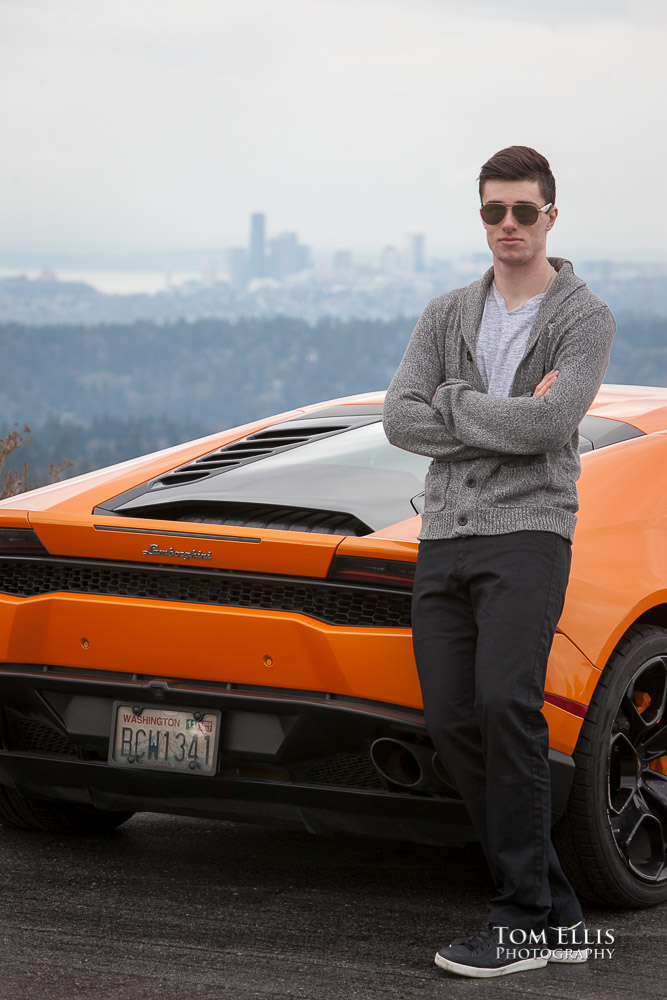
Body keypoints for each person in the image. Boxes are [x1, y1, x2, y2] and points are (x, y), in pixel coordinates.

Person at [382, 146, 615, 979]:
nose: (507, 226)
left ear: (551, 216)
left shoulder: (583, 318)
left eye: (523, 211)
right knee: (450, 719)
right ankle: (554, 912)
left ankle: (518, 921)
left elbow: (547, 431)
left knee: (506, 705)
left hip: (529, 532)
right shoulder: (447, 312)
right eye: (493, 212)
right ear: (480, 216)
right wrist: (499, 410)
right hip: (443, 534)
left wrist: (455, 403)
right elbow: (398, 420)